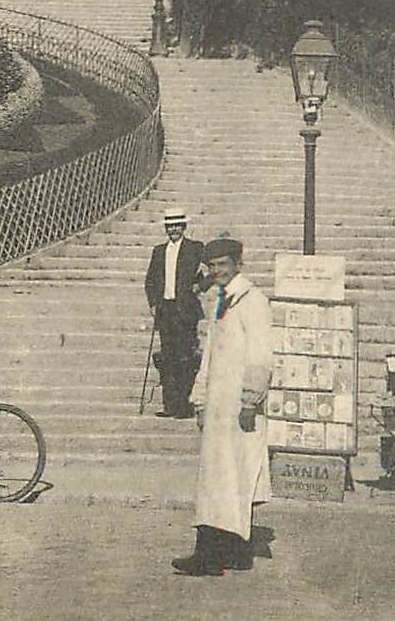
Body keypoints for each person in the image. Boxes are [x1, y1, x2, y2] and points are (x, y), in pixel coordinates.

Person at [173, 236, 272, 577]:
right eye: (212, 266)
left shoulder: (252, 301)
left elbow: (260, 357)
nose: (217, 271)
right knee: (218, 479)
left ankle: (212, 556)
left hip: (238, 407)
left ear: (238, 264)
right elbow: (210, 357)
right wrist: (200, 400)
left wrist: (250, 400)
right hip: (218, 407)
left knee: (234, 477)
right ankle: (232, 552)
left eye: (223, 265)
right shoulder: (222, 300)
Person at [143, 207, 206, 417]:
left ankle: (185, 406)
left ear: (184, 227)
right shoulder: (159, 251)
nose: (173, 230)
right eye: (170, 226)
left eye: (177, 226)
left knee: (185, 358)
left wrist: (200, 286)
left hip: (186, 311)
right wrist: (153, 303)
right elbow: (150, 280)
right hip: (166, 311)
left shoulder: (195, 248)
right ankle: (169, 405)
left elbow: (212, 272)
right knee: (168, 358)